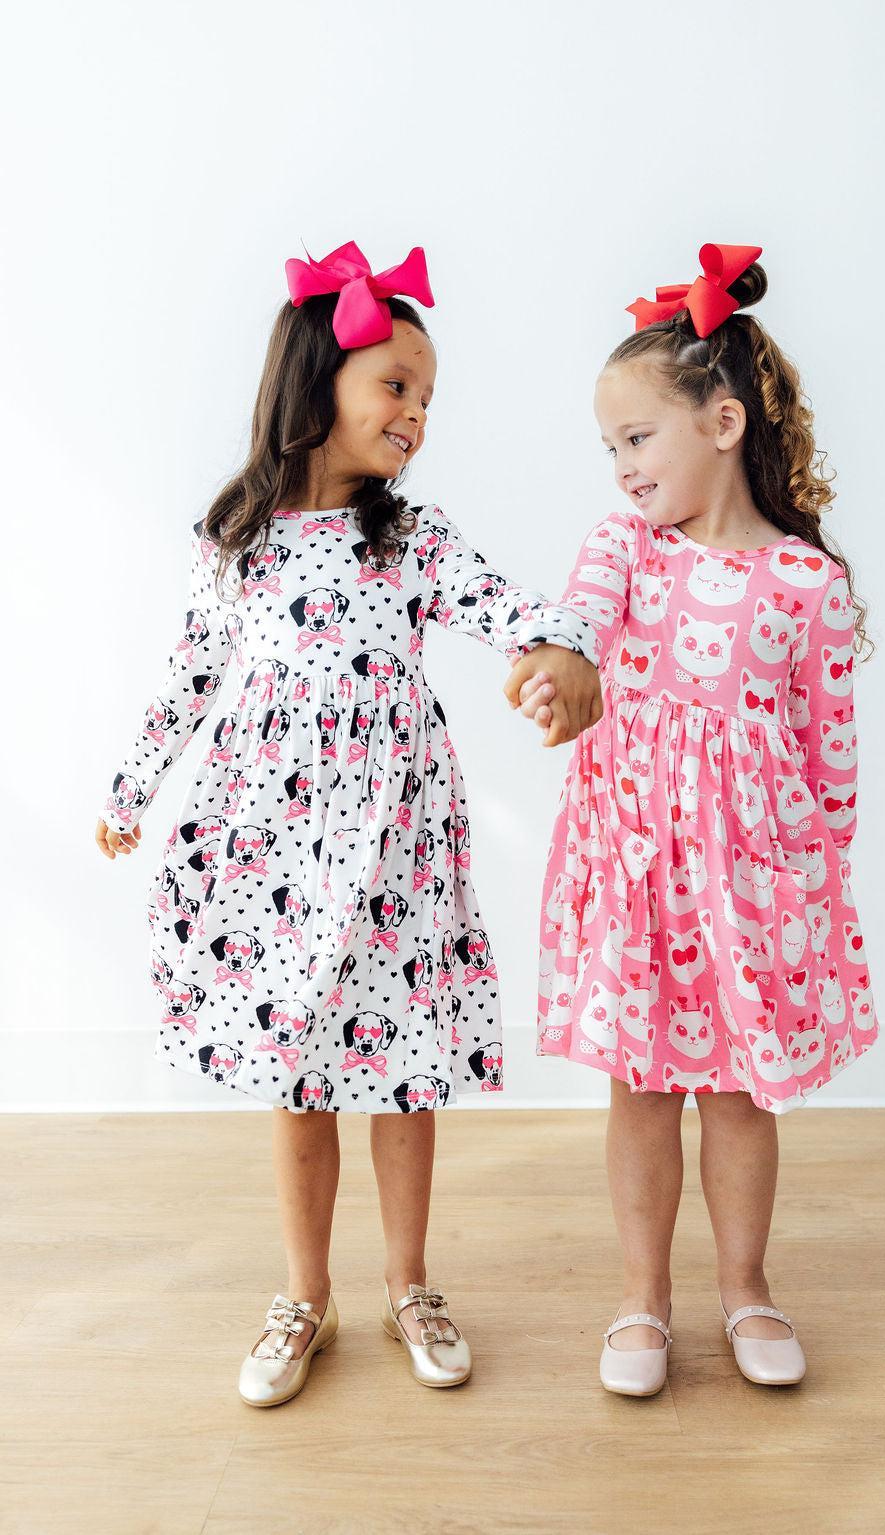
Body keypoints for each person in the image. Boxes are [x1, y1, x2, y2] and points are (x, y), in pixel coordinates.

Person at [95, 240, 602, 1406]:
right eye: (396, 384)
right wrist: (131, 790)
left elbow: (510, 608)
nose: (416, 413)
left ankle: (410, 1282)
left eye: (426, 395)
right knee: (303, 1074)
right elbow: (190, 676)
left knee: (405, 1069)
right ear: (316, 377)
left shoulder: (411, 537)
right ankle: (304, 1294)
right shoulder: (236, 539)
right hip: (275, 845)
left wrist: (560, 648)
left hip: (395, 845)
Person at [508, 243, 878, 1397]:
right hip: (635, 878)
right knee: (640, 1088)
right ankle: (642, 1296)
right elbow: (576, 621)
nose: (621, 467)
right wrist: (555, 669)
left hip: (751, 891)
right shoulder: (625, 550)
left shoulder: (805, 584)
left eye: (636, 438)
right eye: (609, 447)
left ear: (722, 423)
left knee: (736, 1092)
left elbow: (826, 749)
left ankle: (746, 1285)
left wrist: (817, 881)